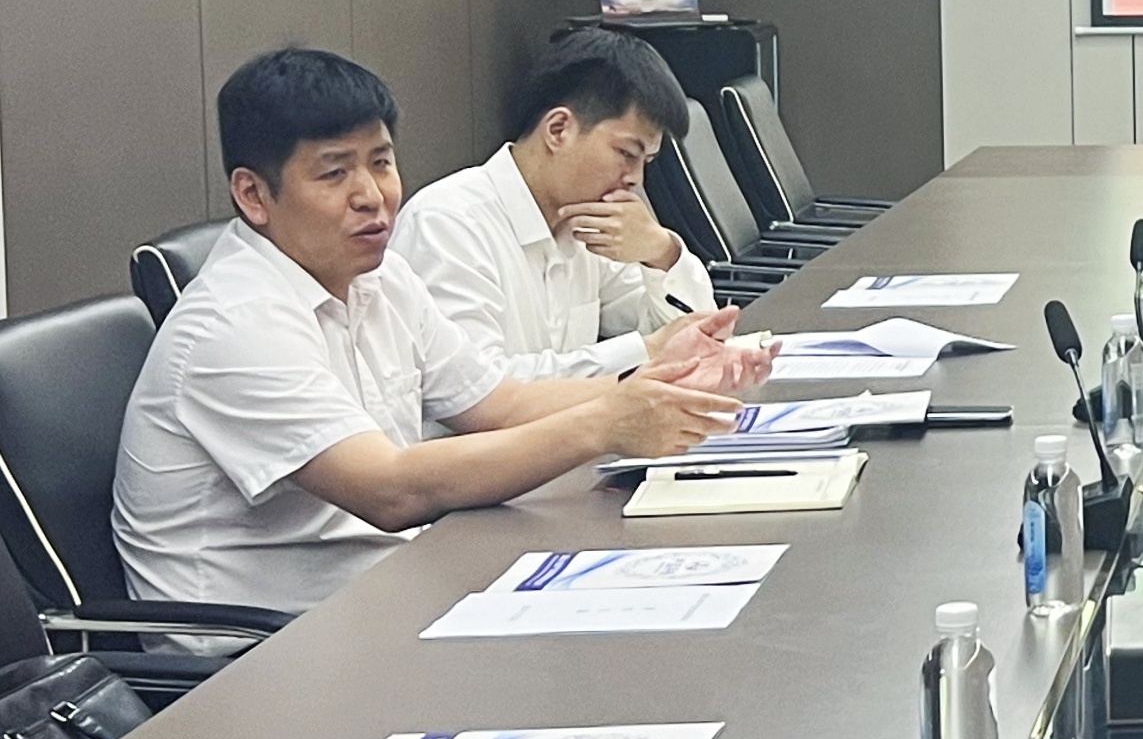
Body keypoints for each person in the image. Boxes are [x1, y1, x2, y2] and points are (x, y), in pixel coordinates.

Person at [114, 47, 738, 614]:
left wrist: (657, 379)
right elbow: (388, 491)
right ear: (254, 196)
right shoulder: (235, 323)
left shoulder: (379, 279)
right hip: (264, 651)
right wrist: (606, 422)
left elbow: (500, 403)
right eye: (334, 174)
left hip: (390, 587)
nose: (372, 195)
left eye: (381, 163)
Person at [395, 28, 764, 387]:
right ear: (558, 130)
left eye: (646, 162)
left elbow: (692, 337)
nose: (635, 179)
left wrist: (662, 253)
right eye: (626, 154)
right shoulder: (447, 224)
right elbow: (480, 392)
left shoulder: (586, 221)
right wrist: (646, 351)